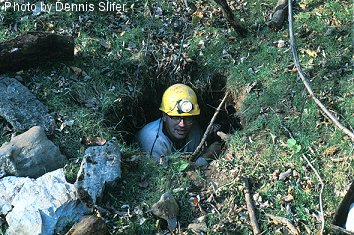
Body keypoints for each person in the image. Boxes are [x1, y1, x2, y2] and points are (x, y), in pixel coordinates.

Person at [137, 83, 221, 166]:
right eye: (176, 117)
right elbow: (166, 177)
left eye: (188, 118)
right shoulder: (153, 141)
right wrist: (206, 157)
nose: (182, 124)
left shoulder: (194, 131)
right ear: (164, 116)